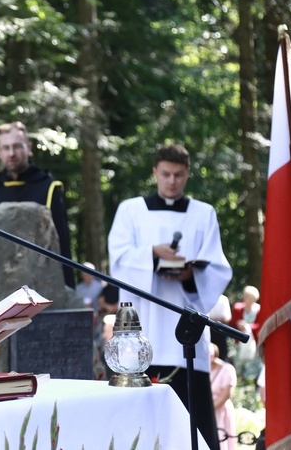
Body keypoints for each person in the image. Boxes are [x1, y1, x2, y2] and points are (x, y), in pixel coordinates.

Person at [108, 143, 232, 450]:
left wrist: (191, 275)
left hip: (185, 337)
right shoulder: (130, 210)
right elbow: (118, 261)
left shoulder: (204, 213)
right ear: (155, 172)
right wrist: (151, 255)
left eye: (178, 174)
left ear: (188, 174)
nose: (172, 181)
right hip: (141, 331)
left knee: (194, 428)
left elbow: (216, 268)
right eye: (166, 174)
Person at [0, 121, 75, 287]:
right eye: (6, 148)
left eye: (17, 146)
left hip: (41, 284)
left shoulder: (48, 188)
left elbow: (62, 248)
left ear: (28, 148)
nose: (11, 153)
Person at [210, 343, 237, 450]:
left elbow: (227, 394)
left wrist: (211, 409)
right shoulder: (202, 370)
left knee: (222, 439)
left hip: (220, 410)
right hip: (206, 409)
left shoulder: (227, 369)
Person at [230, 285, 261, 379]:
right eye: (248, 298)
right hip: (239, 342)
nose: (250, 301)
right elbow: (232, 323)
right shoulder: (238, 308)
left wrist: (249, 326)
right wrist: (238, 323)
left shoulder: (259, 309)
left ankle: (250, 382)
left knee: (252, 365)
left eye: (252, 298)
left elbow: (261, 325)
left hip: (254, 343)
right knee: (238, 364)